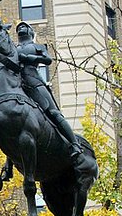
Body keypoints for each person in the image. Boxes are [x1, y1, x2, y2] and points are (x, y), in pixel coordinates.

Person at [13, 20, 82, 163]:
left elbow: (47, 59)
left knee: (53, 112)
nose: (21, 28)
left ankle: (74, 144)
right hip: (17, 84)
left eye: (24, 26)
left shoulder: (37, 46)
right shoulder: (14, 48)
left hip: (34, 81)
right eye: (19, 27)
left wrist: (29, 58)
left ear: (30, 31)